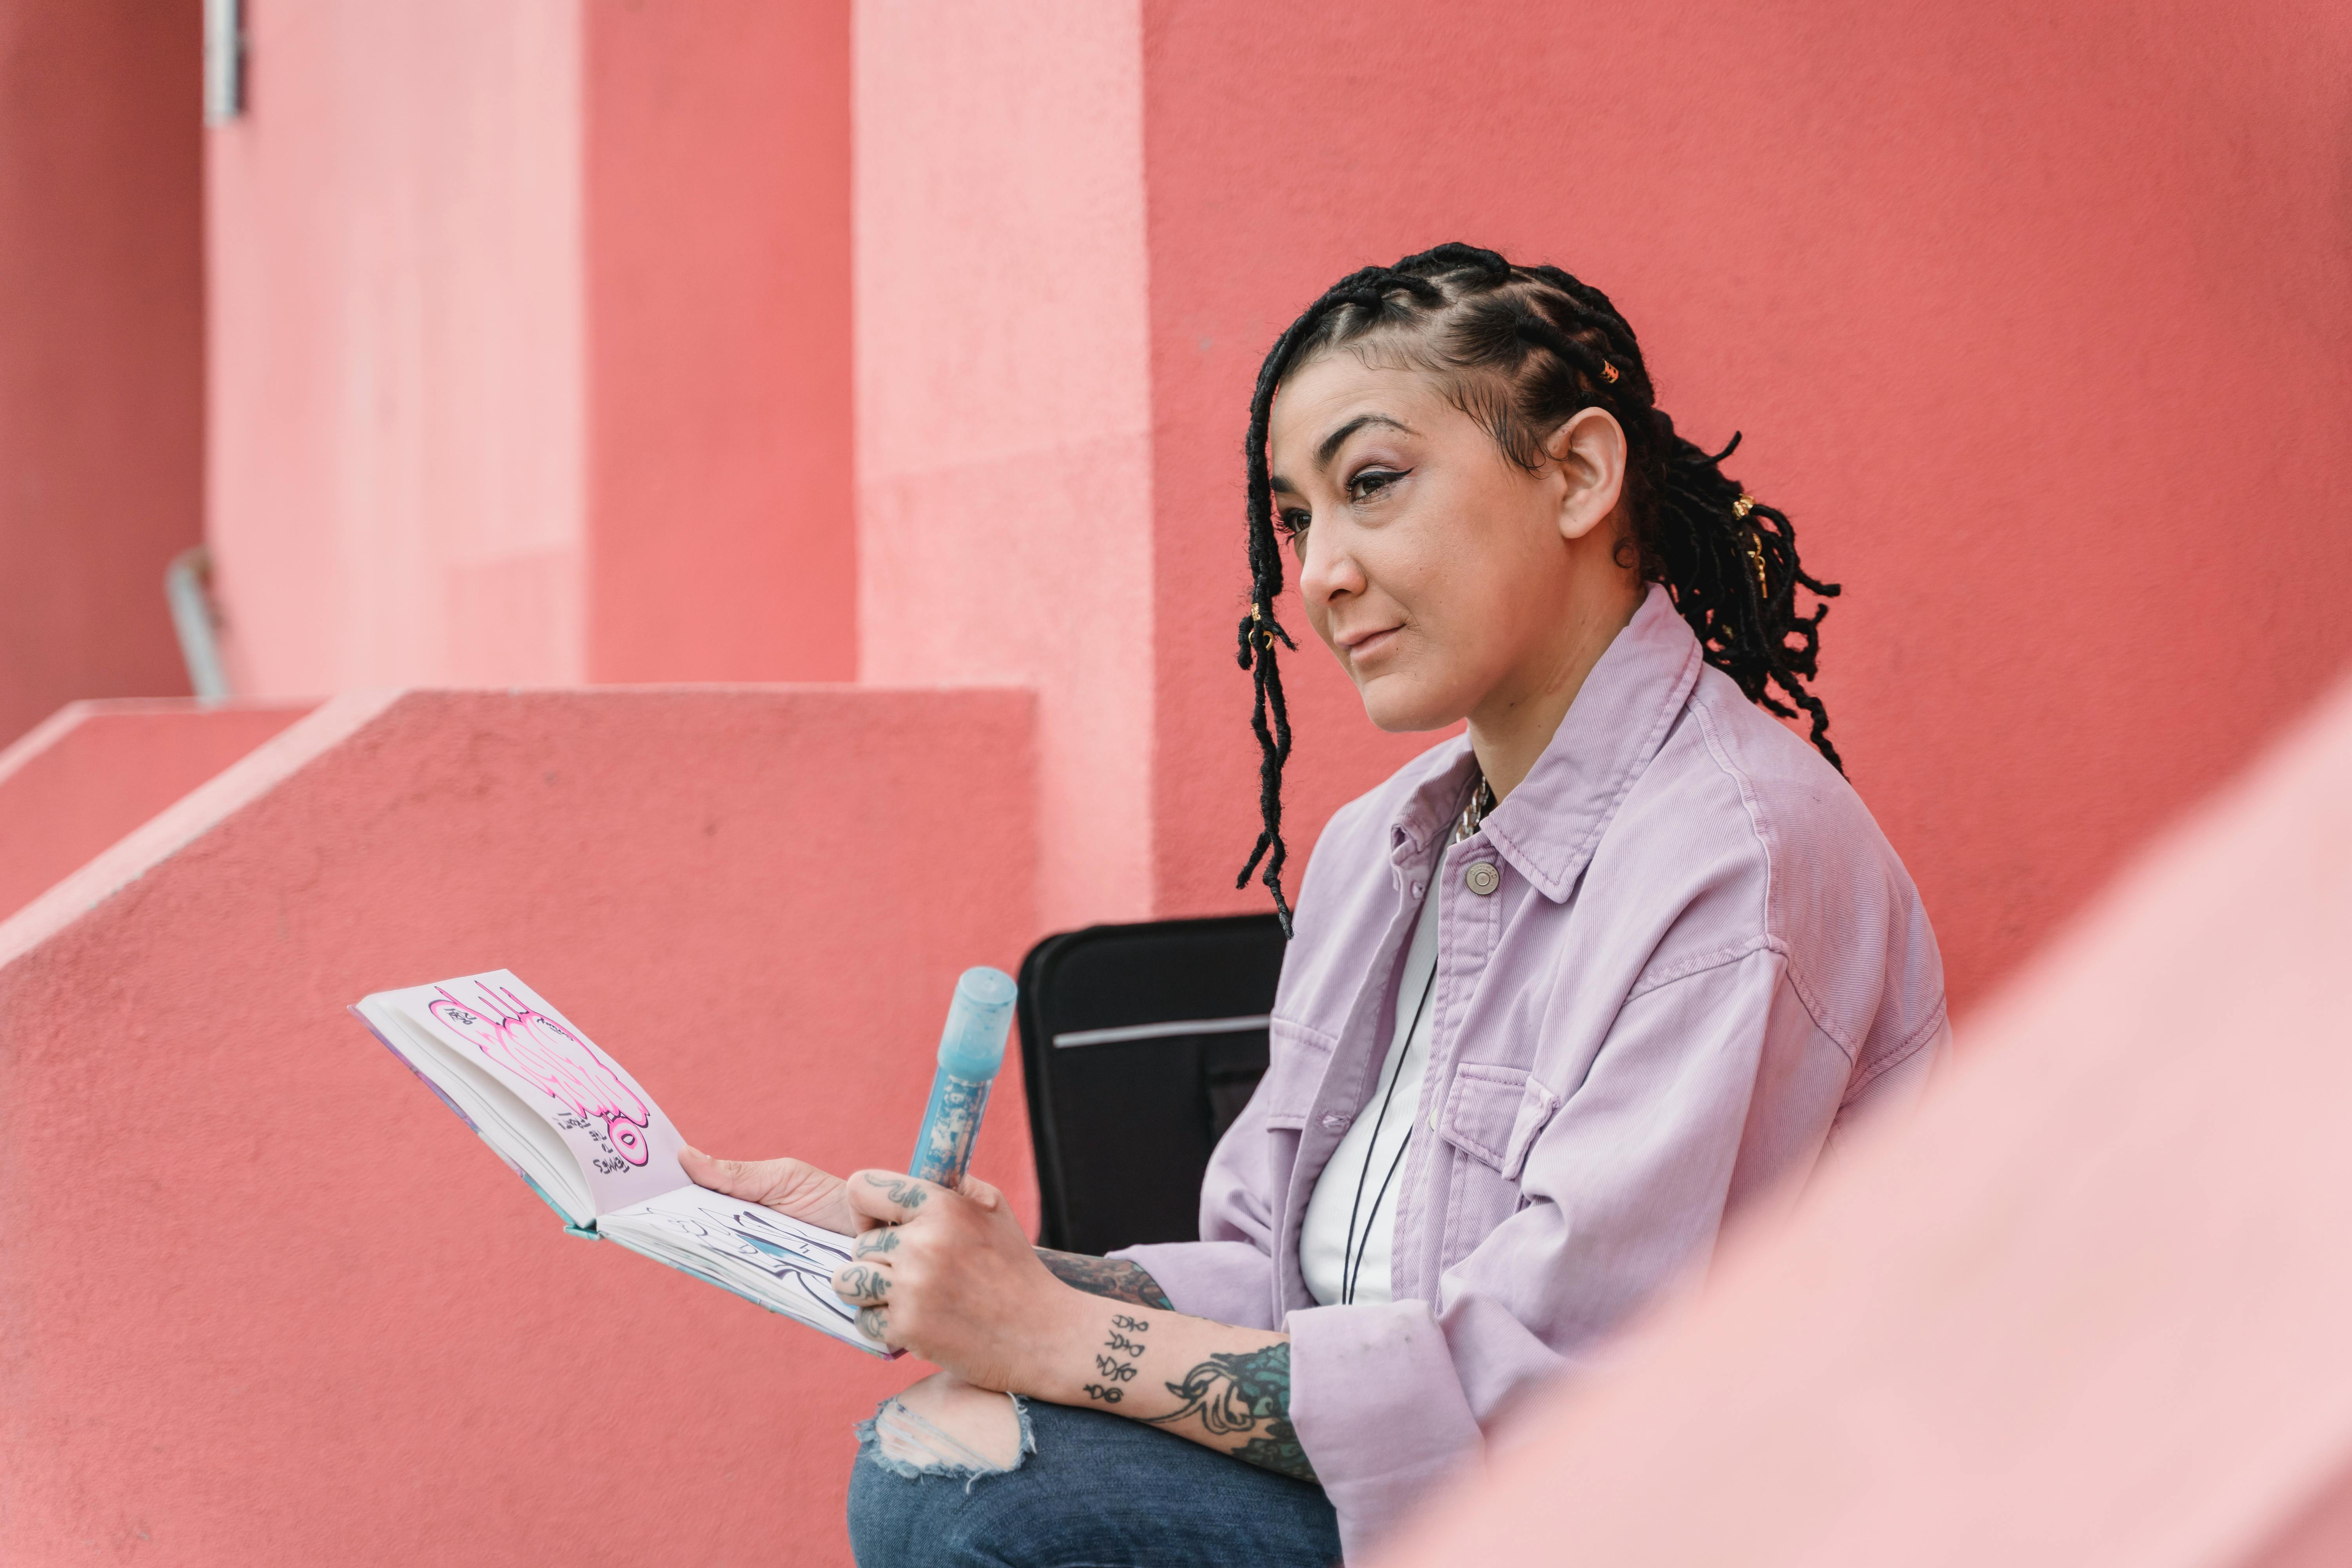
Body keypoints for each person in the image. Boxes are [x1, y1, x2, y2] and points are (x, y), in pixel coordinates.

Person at [681, 243, 1949, 1566]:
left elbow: (1544, 1395)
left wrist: (1058, 1340)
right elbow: (1275, 1278)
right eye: (1296, 519)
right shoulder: (1374, 851)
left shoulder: (1739, 861)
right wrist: (969, 1273)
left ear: (1576, 475)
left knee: (971, 1496)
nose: (1317, 575)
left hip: (1634, 1522)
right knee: (942, 1443)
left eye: (1374, 486)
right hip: (1428, 1499)